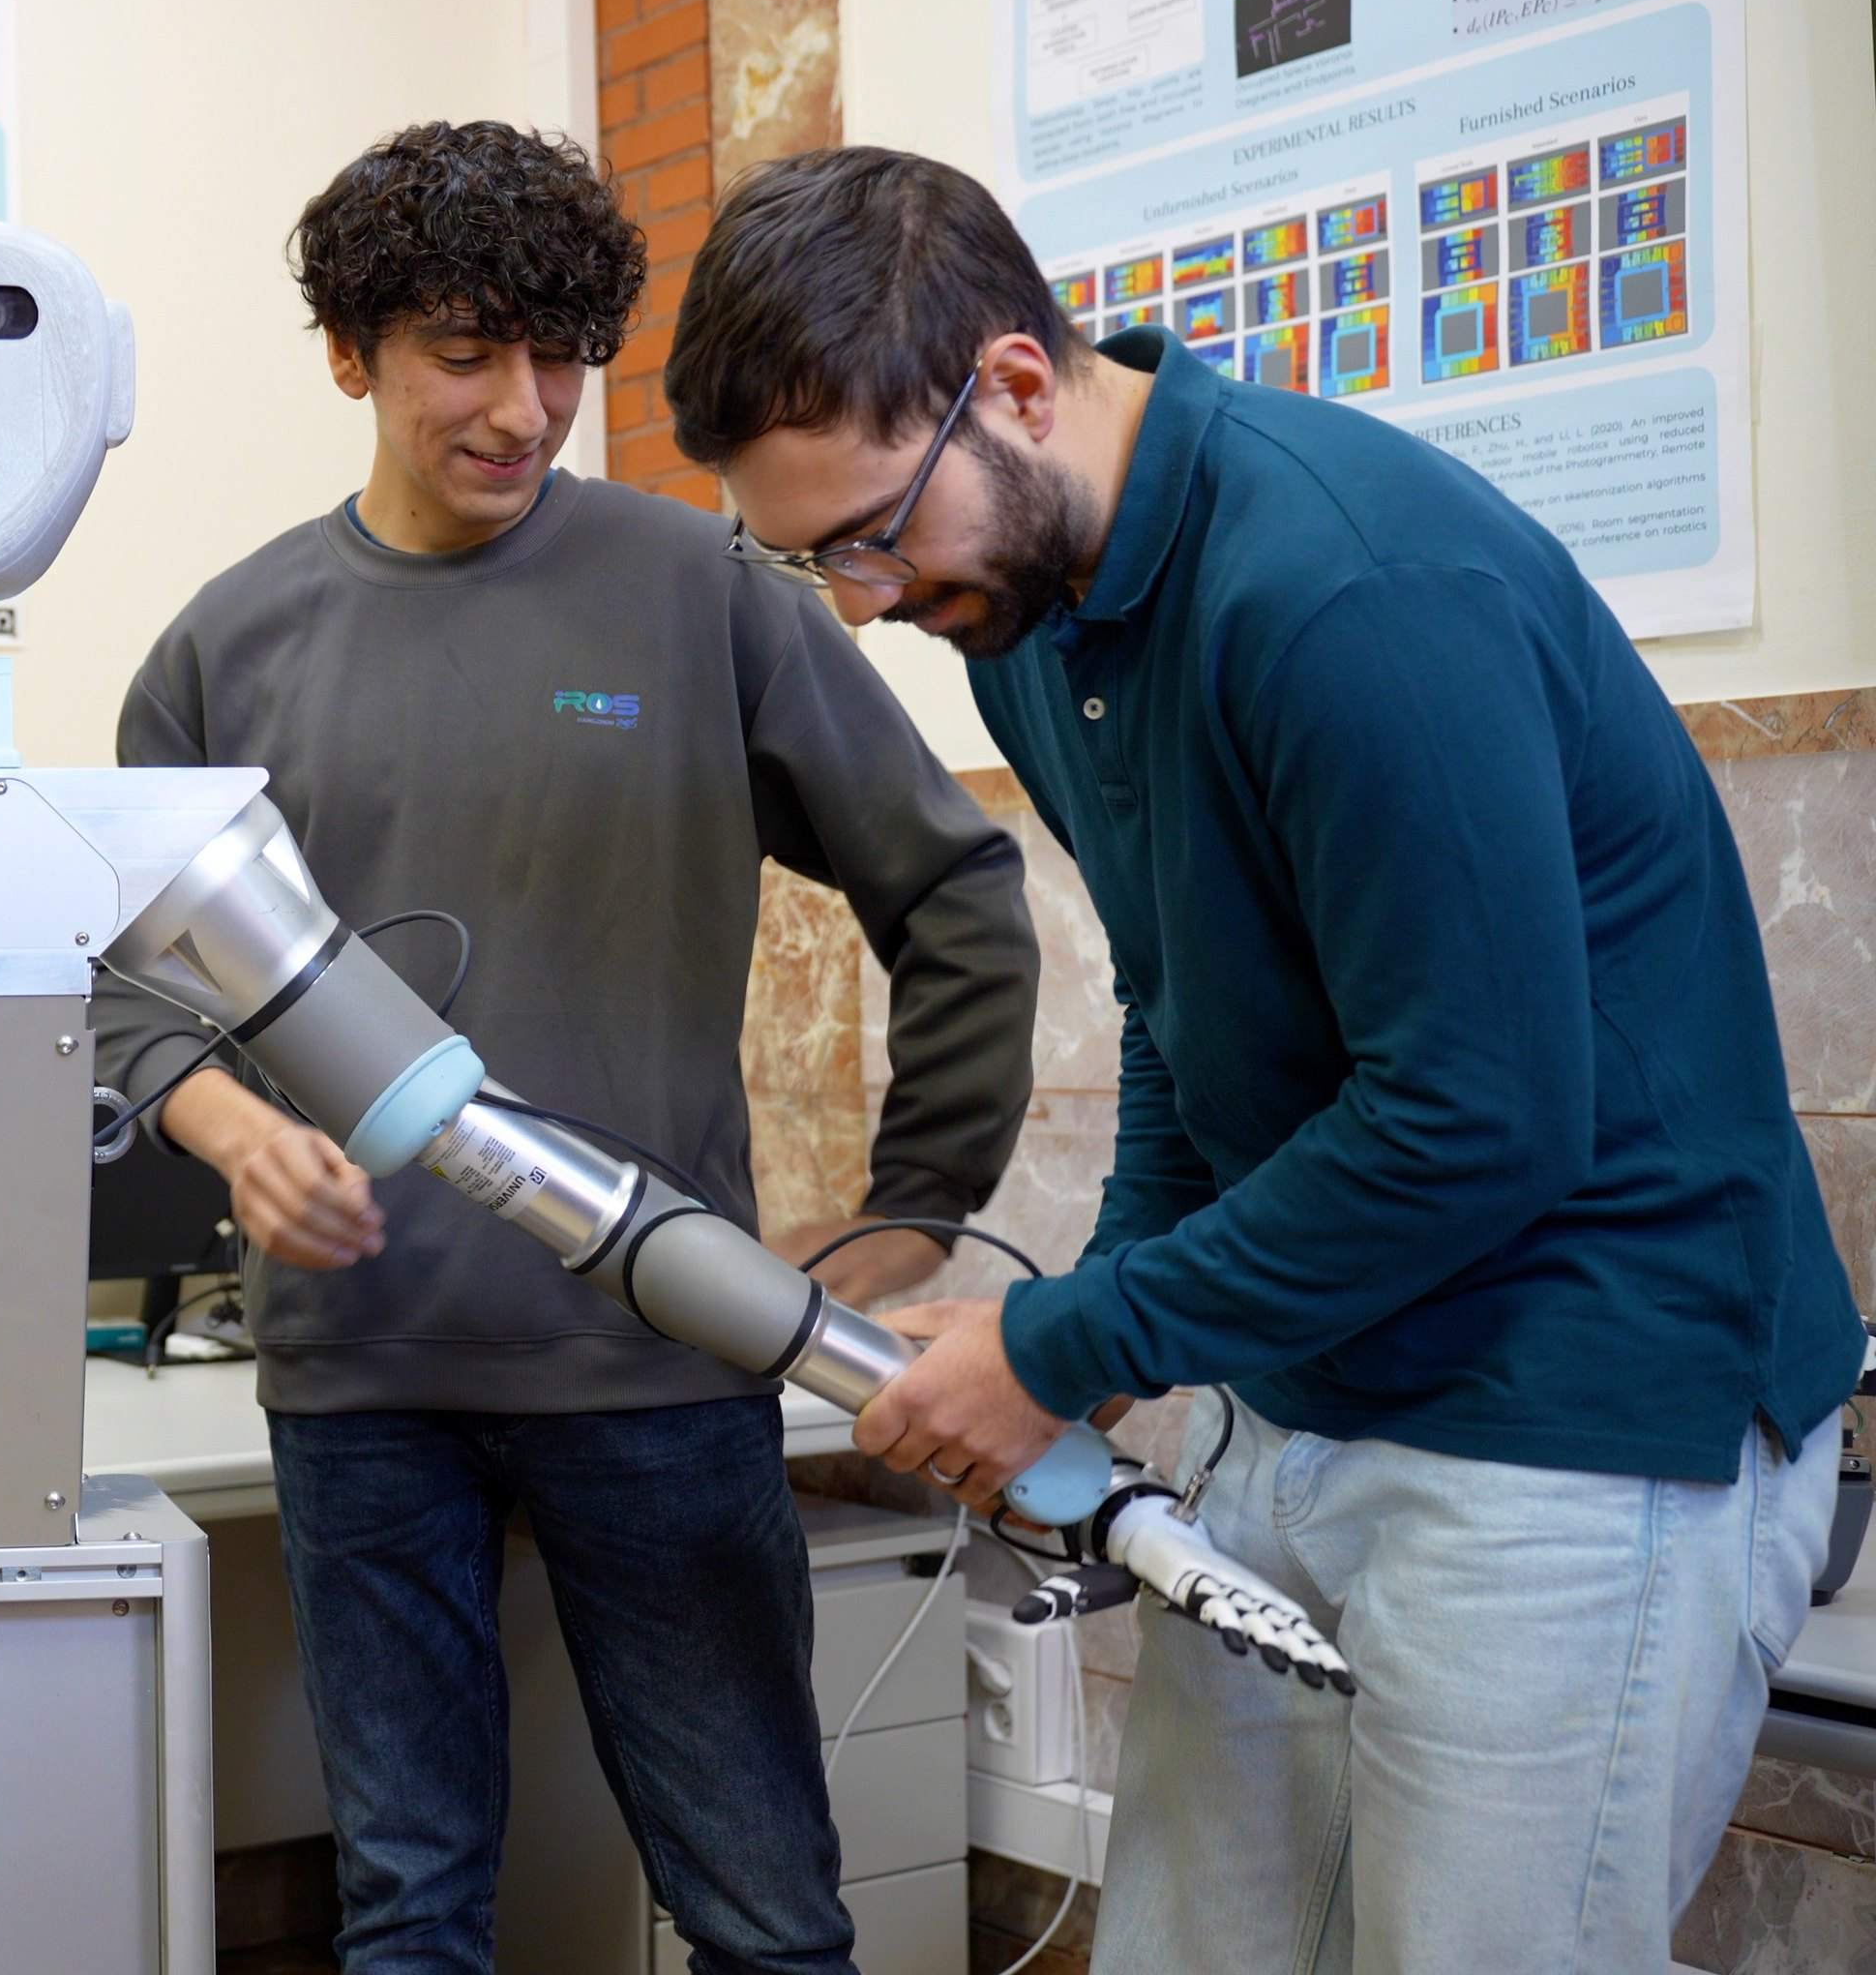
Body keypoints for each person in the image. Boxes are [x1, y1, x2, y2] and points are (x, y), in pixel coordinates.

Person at [664, 143, 1859, 1974]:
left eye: (872, 534)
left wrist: (1076, 1339)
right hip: (1312, 1400)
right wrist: (1098, 1325)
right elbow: (1184, 1007)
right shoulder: (1032, 618)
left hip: (1578, 1411)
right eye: (806, 553)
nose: (862, 603)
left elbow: (1478, 1120)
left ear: (1013, 385)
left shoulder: (1344, 592)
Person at [96, 121, 1040, 1974]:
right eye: (467, 354)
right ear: (351, 355)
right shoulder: (226, 653)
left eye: (562, 358)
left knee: (765, 1914)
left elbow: (956, 896)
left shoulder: (709, 596)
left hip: (661, 1374)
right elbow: (121, 982)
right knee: (410, 1913)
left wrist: (903, 1222)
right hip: (359, 1390)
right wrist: (222, 1124)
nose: (528, 409)